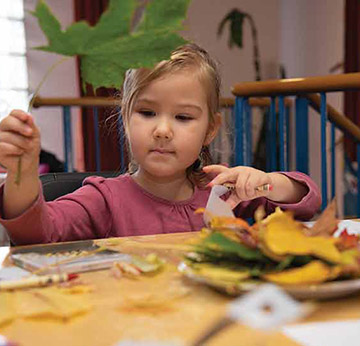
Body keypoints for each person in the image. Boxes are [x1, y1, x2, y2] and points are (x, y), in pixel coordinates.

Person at [0, 44, 321, 246]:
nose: (163, 130)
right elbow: (38, 235)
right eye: (147, 113)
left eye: (183, 117)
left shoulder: (222, 191)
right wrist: (22, 172)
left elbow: (307, 202)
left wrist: (264, 183)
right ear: (125, 119)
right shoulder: (105, 199)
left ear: (209, 130)